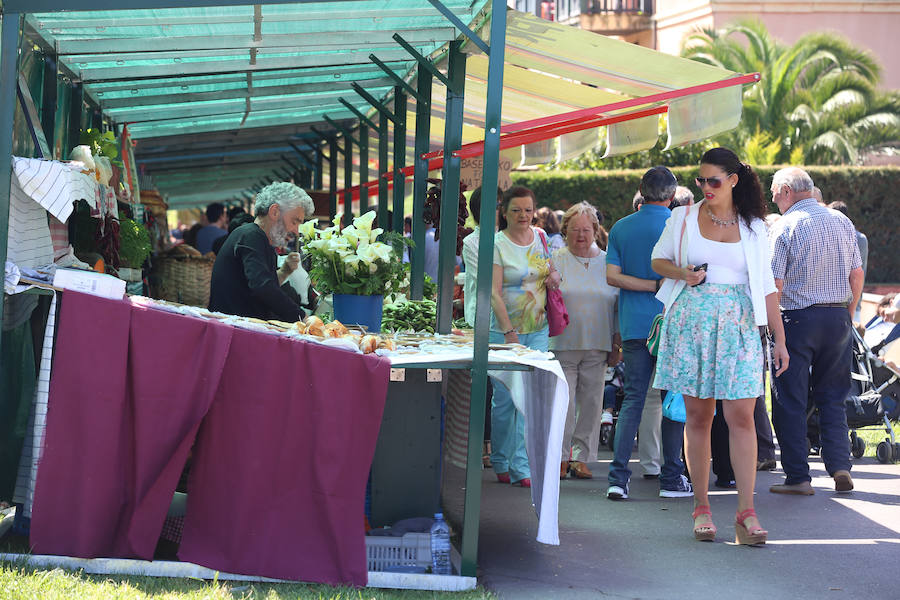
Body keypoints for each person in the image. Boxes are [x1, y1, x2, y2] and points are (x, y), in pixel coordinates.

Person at [651, 147, 788, 545]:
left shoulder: (756, 227)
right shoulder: (682, 218)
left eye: (714, 180)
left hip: (741, 325)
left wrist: (779, 339)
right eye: (701, 180)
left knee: (743, 414)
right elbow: (657, 261)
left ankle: (746, 512)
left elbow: (765, 286)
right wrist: (682, 273)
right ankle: (701, 507)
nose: (706, 187)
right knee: (699, 416)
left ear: (733, 180)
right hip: (692, 321)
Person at [768, 166, 863, 495]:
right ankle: (839, 465)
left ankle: (798, 477)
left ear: (786, 191)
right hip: (837, 318)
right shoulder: (841, 221)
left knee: (789, 399)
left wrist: (772, 329)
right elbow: (857, 274)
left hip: (797, 319)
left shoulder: (786, 225)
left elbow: (775, 284)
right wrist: (848, 313)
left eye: (774, 194)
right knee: (833, 397)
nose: (773, 200)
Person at [605, 166, 691, 501]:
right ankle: (671, 477)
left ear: (641, 191)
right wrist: (659, 285)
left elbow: (612, 276)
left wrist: (645, 286)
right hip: (672, 323)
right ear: (672, 196)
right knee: (672, 400)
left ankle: (617, 477)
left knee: (634, 399)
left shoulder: (622, 228)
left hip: (635, 325)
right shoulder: (681, 227)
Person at [489, 185, 561, 488]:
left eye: (528, 210)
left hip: (538, 329)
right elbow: (493, 292)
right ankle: (500, 458)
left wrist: (555, 276)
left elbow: (550, 272)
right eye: (516, 210)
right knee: (504, 401)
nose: (523, 215)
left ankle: (521, 465)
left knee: (529, 399)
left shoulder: (542, 238)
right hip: (505, 332)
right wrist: (509, 332)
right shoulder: (497, 244)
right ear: (505, 212)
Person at [551, 202, 620, 479]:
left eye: (586, 230)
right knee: (563, 404)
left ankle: (581, 458)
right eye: (575, 230)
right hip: (562, 344)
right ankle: (560, 456)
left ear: (596, 230)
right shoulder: (555, 259)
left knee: (592, 404)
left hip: (599, 342)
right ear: (565, 230)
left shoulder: (608, 262)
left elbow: (616, 305)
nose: (581, 235)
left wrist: (617, 343)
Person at [208, 182, 314, 322]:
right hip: (234, 330)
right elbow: (263, 287)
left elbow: (259, 283)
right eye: (294, 222)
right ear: (274, 211)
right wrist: (302, 317)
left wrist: (285, 271)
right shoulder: (252, 236)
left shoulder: (258, 238)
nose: (296, 231)